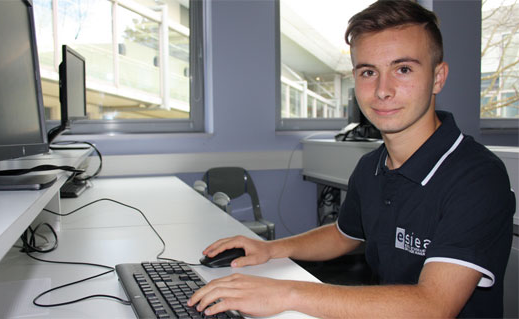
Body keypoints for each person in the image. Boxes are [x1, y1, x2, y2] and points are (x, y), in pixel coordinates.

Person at [188, 1, 516, 318]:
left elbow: (433, 307)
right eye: (368, 72)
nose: (382, 90)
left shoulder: (477, 177)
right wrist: (271, 249)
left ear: (438, 77)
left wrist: (286, 293)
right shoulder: (371, 166)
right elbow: (344, 234)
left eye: (403, 69)